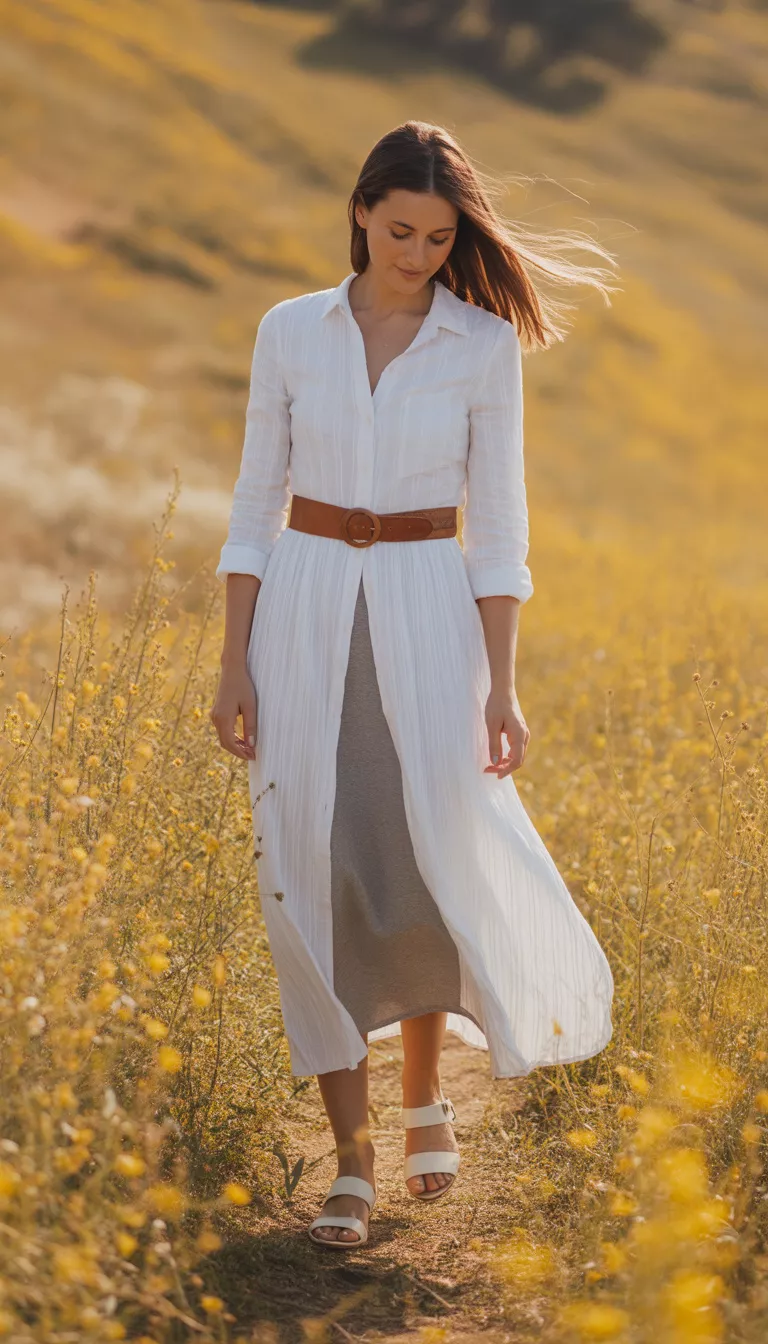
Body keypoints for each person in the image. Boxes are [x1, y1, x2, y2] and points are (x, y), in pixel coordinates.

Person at [211, 120, 616, 1250]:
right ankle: (349, 1158)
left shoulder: (481, 347)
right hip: (302, 613)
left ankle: (428, 1093)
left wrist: (503, 682)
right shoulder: (289, 333)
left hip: (431, 617)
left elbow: (501, 531)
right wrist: (232, 657)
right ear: (359, 211)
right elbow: (253, 505)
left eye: (440, 238)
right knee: (312, 872)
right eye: (401, 231)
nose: (419, 254)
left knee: (423, 850)